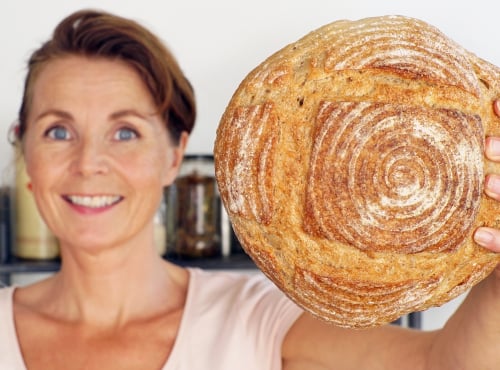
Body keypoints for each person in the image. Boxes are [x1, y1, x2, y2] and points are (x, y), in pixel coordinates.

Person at [1, 9, 500, 370]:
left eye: (126, 131)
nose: (89, 163)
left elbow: (442, 365)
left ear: (174, 155)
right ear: (25, 151)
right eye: (58, 131)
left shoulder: (257, 318)